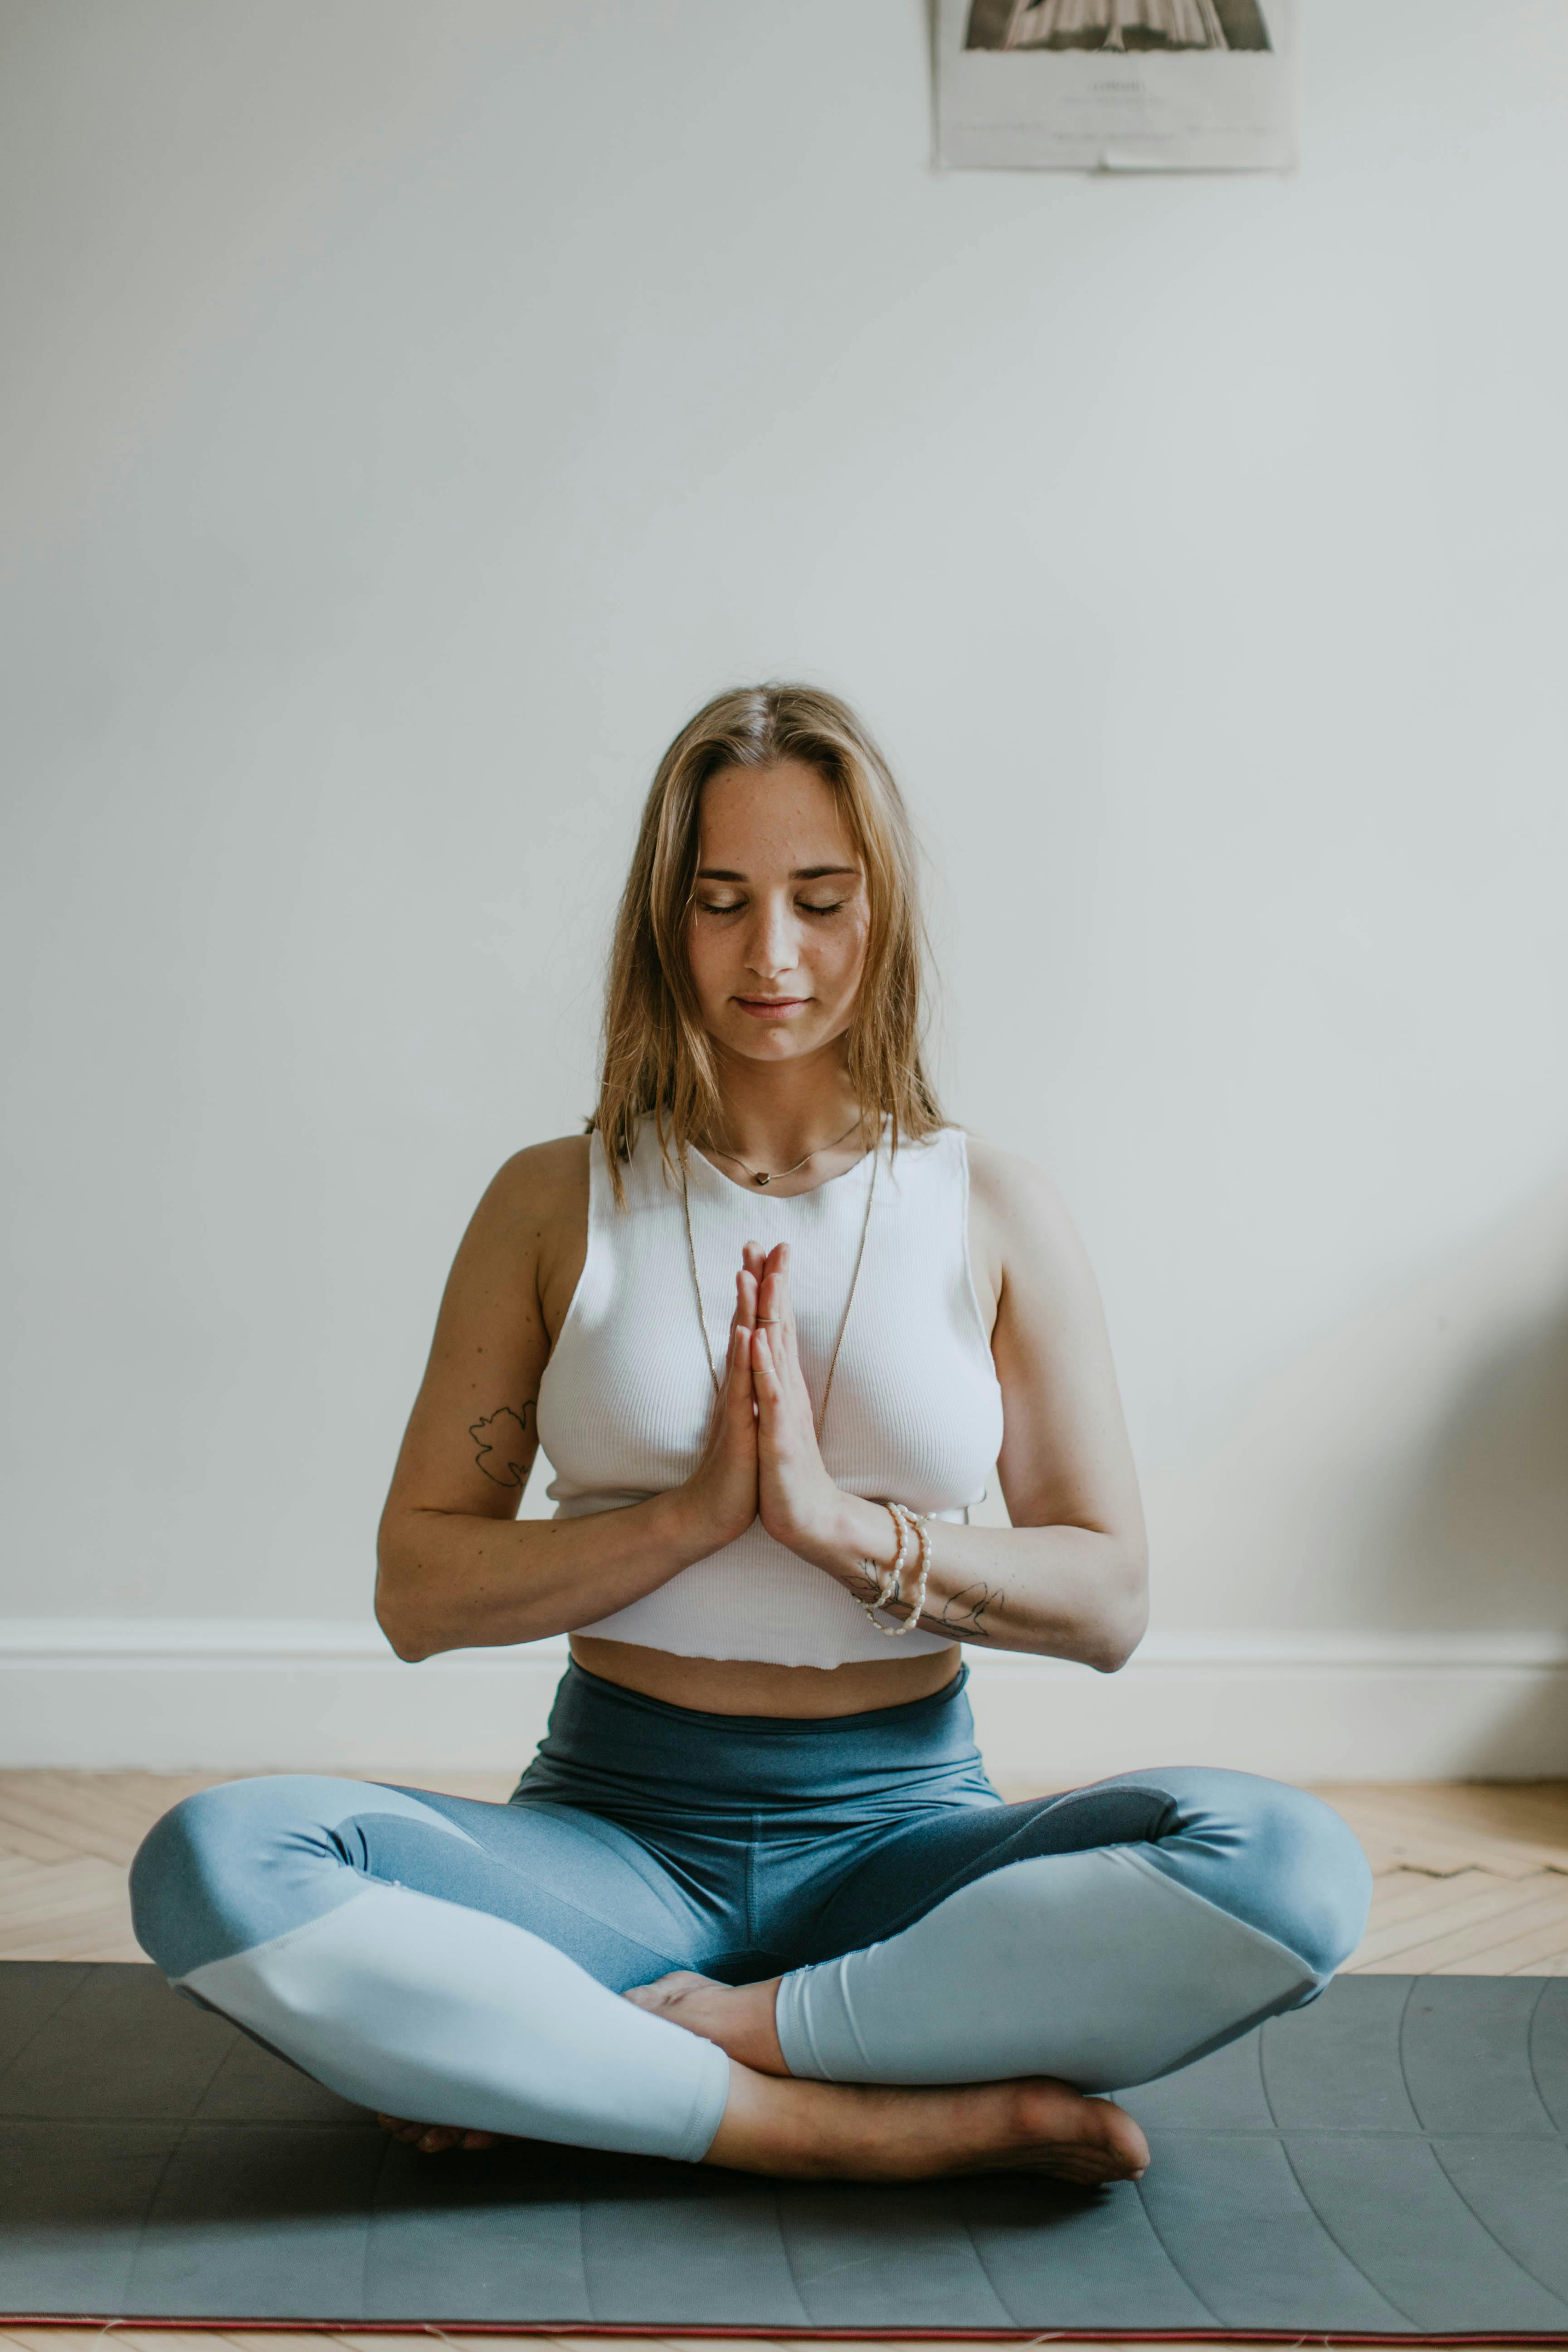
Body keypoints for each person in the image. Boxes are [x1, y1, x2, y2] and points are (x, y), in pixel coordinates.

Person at [130, 683, 1370, 2187]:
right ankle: (838, 2117)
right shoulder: (550, 1199)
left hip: (909, 1851)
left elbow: (1108, 1603)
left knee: (1292, 1868)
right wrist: (687, 1516)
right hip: (610, 1844)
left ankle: (658, 2047)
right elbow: (417, 1592)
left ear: (883, 913)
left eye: (818, 900)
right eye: (720, 903)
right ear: (666, 920)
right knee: (214, 1863)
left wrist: (836, 1528)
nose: (770, 954)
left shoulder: (992, 1207)